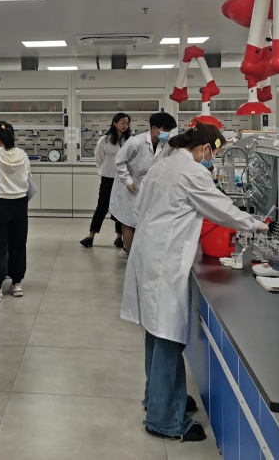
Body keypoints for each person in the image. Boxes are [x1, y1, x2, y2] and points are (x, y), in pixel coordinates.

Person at [121, 123, 268, 443]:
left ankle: (160, 397)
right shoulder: (192, 172)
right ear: (206, 148)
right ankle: (163, 418)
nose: (212, 160)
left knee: (156, 334)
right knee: (167, 336)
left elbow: (138, 207)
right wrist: (257, 224)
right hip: (165, 259)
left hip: (149, 252)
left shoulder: (163, 165)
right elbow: (220, 209)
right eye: (214, 153)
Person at [109, 112, 177, 257]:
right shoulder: (136, 142)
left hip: (148, 187)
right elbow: (119, 161)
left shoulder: (166, 143)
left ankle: (138, 253)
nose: (167, 134)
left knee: (144, 221)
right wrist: (128, 181)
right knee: (129, 221)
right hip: (130, 188)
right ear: (154, 128)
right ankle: (130, 254)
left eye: (169, 131)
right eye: (165, 130)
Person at [0, 121, 31, 302]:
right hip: (20, 203)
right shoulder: (23, 155)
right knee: (18, 244)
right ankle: (17, 283)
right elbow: (28, 177)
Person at [80, 113, 130, 248]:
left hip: (123, 178)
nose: (125, 125)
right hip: (108, 176)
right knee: (102, 206)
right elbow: (98, 158)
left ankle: (119, 237)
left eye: (127, 123)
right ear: (114, 123)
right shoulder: (105, 140)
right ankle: (91, 236)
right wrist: (108, 167)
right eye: (122, 122)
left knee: (120, 207)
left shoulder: (130, 140)